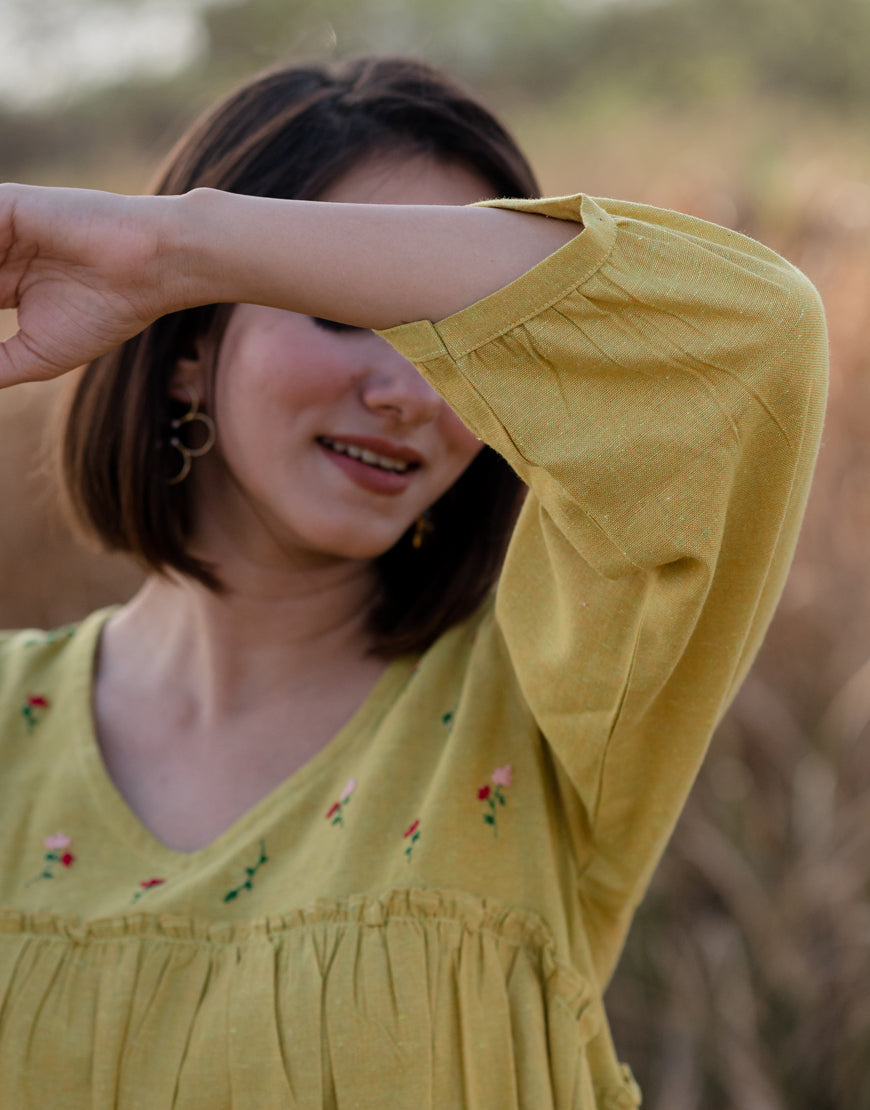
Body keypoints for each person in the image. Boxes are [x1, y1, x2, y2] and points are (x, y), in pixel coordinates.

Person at [0, 56, 826, 1109]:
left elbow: (755, 335)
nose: (409, 395)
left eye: (450, 348)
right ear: (186, 351)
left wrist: (172, 243)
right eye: (341, 315)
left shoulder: (546, 705)